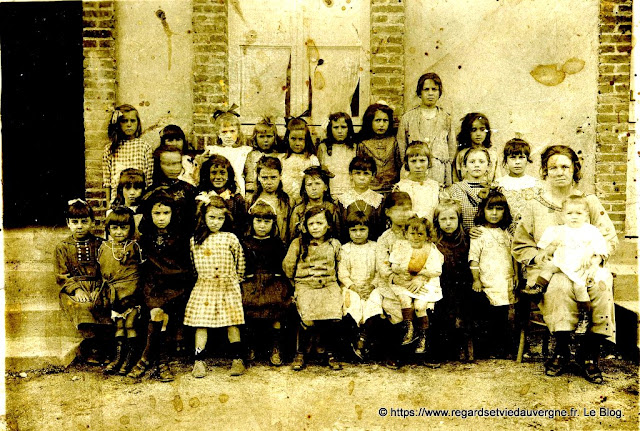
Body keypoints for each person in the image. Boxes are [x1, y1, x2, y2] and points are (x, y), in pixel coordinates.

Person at [512, 145, 618, 383]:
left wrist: (595, 258)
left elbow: (608, 237)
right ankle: (561, 350)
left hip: (586, 265)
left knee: (601, 283)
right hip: (551, 270)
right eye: (553, 168)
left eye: (565, 167)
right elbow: (520, 244)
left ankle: (588, 354)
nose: (559, 172)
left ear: (574, 170)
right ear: (545, 171)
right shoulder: (534, 204)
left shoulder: (588, 202)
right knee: (559, 286)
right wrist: (541, 258)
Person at [128, 189, 194, 381]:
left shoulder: (180, 237)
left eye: (166, 213)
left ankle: (149, 358)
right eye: (157, 213)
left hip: (175, 285)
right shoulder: (145, 238)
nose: (161, 218)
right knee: (158, 314)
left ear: (173, 214)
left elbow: (185, 267)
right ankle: (161, 362)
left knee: (161, 316)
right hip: (153, 285)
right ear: (150, 214)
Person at [184, 194, 247, 377]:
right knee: (201, 323)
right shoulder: (195, 240)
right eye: (212, 217)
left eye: (220, 218)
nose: (216, 222)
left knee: (232, 322)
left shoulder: (230, 238)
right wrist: (203, 278)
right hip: (205, 286)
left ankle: (237, 359)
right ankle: (199, 361)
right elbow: (192, 264)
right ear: (203, 216)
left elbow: (240, 261)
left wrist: (237, 280)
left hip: (227, 286)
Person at [530, 195, 611, 335]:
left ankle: (584, 316)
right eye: (569, 213)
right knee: (548, 269)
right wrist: (547, 250)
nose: (574, 217)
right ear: (563, 215)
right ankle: (538, 289)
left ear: (586, 215)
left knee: (579, 287)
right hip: (564, 261)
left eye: (578, 213)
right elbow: (552, 244)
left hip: (580, 265)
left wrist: (590, 252)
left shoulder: (591, 230)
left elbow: (599, 246)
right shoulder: (560, 230)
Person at [283, 206, 343, 371]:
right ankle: (300, 353)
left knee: (333, 315)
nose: (315, 227)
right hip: (305, 285)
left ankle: (330, 352)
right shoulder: (298, 244)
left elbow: (339, 266)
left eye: (319, 223)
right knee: (308, 318)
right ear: (305, 226)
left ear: (328, 225)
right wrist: (296, 285)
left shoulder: (334, 244)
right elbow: (288, 267)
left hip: (328, 284)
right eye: (311, 224)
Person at [55, 199, 111, 364]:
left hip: (97, 286)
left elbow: (106, 270)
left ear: (92, 223)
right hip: (75, 288)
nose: (79, 226)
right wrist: (77, 290)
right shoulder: (63, 247)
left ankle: (105, 346)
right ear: (68, 224)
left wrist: (98, 289)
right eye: (75, 222)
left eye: (84, 222)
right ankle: (92, 346)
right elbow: (62, 275)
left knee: (103, 303)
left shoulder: (101, 244)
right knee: (82, 306)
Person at [241, 201, 292, 366]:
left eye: (267, 222)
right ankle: (250, 346)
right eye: (258, 221)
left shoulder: (278, 243)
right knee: (249, 307)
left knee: (276, 306)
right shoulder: (245, 242)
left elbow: (283, 267)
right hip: (251, 282)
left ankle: (275, 347)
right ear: (252, 222)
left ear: (273, 223)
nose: (262, 226)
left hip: (273, 281)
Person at [469, 190, 517, 358]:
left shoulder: (507, 234)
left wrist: (516, 276)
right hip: (487, 280)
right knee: (487, 316)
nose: (495, 213)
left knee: (503, 315)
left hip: (503, 280)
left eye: (499, 209)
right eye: (490, 209)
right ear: (483, 210)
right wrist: (476, 280)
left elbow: (513, 257)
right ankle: (486, 349)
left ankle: (502, 348)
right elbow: (473, 259)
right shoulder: (479, 233)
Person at [388, 216, 444, 356]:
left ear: (427, 235)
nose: (416, 237)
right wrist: (400, 270)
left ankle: (423, 336)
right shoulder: (401, 247)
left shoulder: (430, 249)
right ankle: (409, 330)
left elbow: (437, 270)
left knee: (420, 307)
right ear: (406, 234)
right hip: (406, 281)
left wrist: (422, 275)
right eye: (412, 233)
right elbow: (394, 264)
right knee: (405, 300)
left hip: (426, 282)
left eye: (420, 234)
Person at [99, 207, 144, 375]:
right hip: (115, 295)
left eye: (124, 228)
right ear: (108, 228)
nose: (119, 232)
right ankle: (119, 357)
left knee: (130, 324)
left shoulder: (134, 247)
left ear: (130, 229)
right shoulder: (104, 247)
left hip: (131, 295)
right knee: (119, 326)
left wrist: (134, 293)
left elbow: (138, 272)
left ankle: (130, 359)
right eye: (114, 228)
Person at [338, 211, 384, 360]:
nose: (358, 234)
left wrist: (372, 285)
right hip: (352, 286)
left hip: (372, 286)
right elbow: (342, 272)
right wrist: (353, 286)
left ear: (369, 230)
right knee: (353, 304)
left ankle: (364, 338)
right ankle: (355, 339)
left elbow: (380, 270)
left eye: (362, 230)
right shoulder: (345, 249)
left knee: (374, 303)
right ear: (348, 231)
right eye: (354, 230)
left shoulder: (375, 247)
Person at [375, 191, 413, 369]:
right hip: (393, 282)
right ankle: (393, 353)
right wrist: (393, 276)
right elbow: (383, 264)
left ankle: (419, 350)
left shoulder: (416, 233)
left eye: (408, 209)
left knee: (422, 306)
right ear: (388, 212)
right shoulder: (385, 238)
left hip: (414, 279)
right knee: (395, 310)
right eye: (399, 210)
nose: (404, 214)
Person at [433, 199, 474, 362]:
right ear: (437, 221)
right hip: (442, 283)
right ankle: (448, 348)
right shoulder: (434, 241)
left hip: (463, 283)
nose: (448, 223)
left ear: (459, 219)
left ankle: (466, 345)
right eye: (443, 219)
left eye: (452, 219)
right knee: (444, 311)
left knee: (465, 309)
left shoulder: (466, 239)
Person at [397, 72, 455, 186]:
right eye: (426, 90)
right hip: (415, 168)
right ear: (420, 93)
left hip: (438, 169)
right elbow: (401, 144)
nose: (430, 93)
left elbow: (451, 145)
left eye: (434, 89)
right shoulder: (408, 118)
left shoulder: (446, 118)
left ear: (439, 93)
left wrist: (443, 163)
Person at [103, 104, 153, 204]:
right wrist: (109, 202)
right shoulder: (110, 148)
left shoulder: (144, 146)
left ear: (138, 123)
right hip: (117, 199)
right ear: (118, 123)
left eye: (132, 121)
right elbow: (107, 179)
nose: (129, 124)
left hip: (139, 199)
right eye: (124, 121)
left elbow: (148, 178)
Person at [147, 146, 198, 238]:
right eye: (167, 164)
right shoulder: (152, 191)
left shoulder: (189, 189)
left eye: (176, 163)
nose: (172, 168)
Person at [201, 109, 252, 195]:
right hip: (217, 186)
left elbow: (248, 174)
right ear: (218, 134)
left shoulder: (244, 151)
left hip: (237, 187)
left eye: (232, 131)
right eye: (224, 132)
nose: (228, 136)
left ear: (238, 132)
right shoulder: (213, 150)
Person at [495, 138, 542, 226]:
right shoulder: (499, 184)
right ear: (506, 160)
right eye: (512, 158)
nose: (517, 162)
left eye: (521, 157)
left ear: (527, 159)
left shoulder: (536, 184)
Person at [393, 141, 444, 221]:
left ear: (429, 162)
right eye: (413, 161)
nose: (418, 166)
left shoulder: (436, 187)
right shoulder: (400, 188)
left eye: (422, 160)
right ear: (407, 163)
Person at [337, 155, 385, 241]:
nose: (362, 178)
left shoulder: (378, 200)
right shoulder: (343, 200)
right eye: (357, 173)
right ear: (351, 175)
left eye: (366, 174)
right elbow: (340, 228)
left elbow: (380, 227)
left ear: (373, 176)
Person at [357, 103, 400, 194]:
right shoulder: (363, 144)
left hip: (392, 188)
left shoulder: (394, 141)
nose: (381, 124)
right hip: (371, 189)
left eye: (385, 121)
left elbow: (399, 164)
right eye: (377, 120)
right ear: (370, 122)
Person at [199, 154, 247, 237]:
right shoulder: (202, 197)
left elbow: (242, 225)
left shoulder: (236, 199)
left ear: (229, 175)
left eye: (222, 173)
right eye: (214, 173)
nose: (218, 177)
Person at [247, 156, 292, 244]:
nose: (269, 182)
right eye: (264, 178)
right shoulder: (251, 200)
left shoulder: (288, 200)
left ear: (280, 176)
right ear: (258, 177)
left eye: (273, 177)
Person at [289, 166, 341, 240]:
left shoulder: (332, 208)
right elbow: (292, 235)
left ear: (325, 187)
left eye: (317, 183)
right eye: (309, 184)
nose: (313, 188)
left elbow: (338, 234)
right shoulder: (299, 210)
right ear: (305, 189)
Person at [447, 146, 492, 232]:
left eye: (481, 162)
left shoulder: (493, 189)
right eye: (472, 162)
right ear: (464, 166)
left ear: (488, 166)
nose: (477, 165)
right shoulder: (456, 189)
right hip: (462, 237)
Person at [278, 117, 320, 204]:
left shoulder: (312, 159)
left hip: (305, 201)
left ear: (306, 140)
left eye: (301, 139)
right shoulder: (282, 158)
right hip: (285, 201)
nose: (297, 143)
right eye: (293, 139)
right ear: (287, 138)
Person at [317, 112, 357, 199]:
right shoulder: (323, 148)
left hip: (350, 193)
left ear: (349, 128)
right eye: (335, 127)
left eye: (343, 127)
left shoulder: (354, 148)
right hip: (330, 193)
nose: (340, 131)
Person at [453, 113, 498, 183]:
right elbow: (456, 179)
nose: (478, 134)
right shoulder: (461, 154)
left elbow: (497, 179)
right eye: (474, 130)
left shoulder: (493, 155)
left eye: (482, 130)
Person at [243, 117, 281, 195]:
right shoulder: (251, 156)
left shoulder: (279, 156)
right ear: (255, 137)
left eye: (269, 136)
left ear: (275, 138)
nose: (266, 140)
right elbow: (249, 179)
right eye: (261, 137)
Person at [109, 168, 145, 237]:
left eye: (136, 188)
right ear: (121, 189)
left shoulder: (146, 212)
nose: (132, 193)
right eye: (127, 188)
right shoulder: (113, 212)